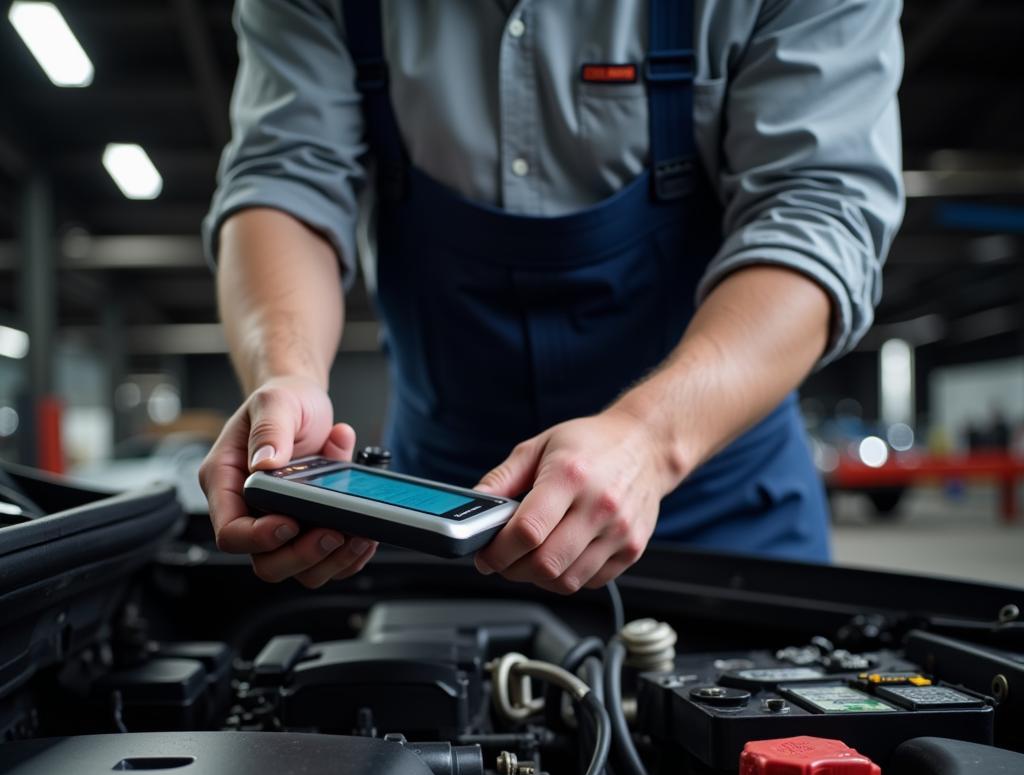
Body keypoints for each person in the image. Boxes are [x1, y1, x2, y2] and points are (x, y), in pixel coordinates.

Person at [199, 0, 903, 593]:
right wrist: (284, 376)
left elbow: (819, 210)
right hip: (445, 518)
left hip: (729, 514)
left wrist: (649, 441)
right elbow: (283, 180)